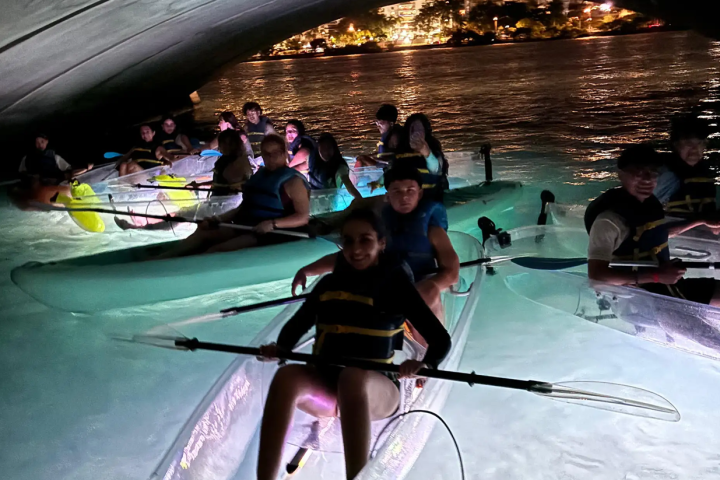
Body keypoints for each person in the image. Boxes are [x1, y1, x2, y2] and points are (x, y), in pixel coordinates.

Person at [256, 208, 451, 480]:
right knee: (287, 375)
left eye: (365, 240)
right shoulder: (327, 286)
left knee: (352, 377)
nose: (356, 249)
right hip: (329, 388)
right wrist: (279, 350)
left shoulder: (395, 286)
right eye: (348, 241)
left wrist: (424, 363)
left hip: (379, 392)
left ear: (381, 243)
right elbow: (293, 330)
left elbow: (440, 340)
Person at [293, 166, 459, 334]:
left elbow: (452, 272)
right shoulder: (378, 227)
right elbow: (355, 254)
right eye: (396, 191)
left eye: (410, 190)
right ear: (387, 196)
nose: (404, 197)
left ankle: (428, 351)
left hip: (421, 288)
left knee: (429, 297)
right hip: (388, 291)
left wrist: (433, 285)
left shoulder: (432, 230)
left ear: (420, 194)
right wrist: (307, 270)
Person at [586, 144, 720, 307]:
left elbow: (659, 234)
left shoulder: (649, 205)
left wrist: (700, 221)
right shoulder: (609, 221)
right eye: (639, 172)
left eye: (653, 173)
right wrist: (656, 276)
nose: (648, 179)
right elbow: (596, 277)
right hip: (643, 298)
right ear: (621, 174)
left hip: (668, 286)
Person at [154, 134, 309, 257]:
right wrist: (219, 219)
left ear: (283, 153)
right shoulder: (261, 175)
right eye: (266, 154)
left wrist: (273, 224)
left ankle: (186, 268)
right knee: (203, 234)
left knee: (216, 250)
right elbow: (244, 207)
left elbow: (302, 217)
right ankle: (160, 260)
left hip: (270, 233)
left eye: (275, 153)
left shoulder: (293, 181)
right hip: (247, 225)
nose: (270, 158)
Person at [113, 129, 252, 230]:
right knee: (183, 214)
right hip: (216, 202)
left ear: (231, 144)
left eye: (223, 144)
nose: (221, 148)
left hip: (225, 206)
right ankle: (142, 223)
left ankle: (138, 226)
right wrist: (199, 184)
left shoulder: (239, 163)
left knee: (180, 215)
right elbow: (222, 182)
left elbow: (240, 187)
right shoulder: (228, 159)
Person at [654, 114, 715, 215]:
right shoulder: (663, 175)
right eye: (688, 143)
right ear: (676, 145)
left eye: (700, 143)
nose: (695, 149)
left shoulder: (704, 173)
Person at [392, 113, 449, 201]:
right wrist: (378, 183)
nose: (416, 132)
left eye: (419, 129)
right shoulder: (400, 153)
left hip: (430, 197)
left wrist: (426, 152)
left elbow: (436, 169)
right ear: (407, 131)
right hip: (407, 199)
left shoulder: (433, 149)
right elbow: (392, 171)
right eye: (413, 128)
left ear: (425, 131)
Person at [18, 133, 91, 184]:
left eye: (42, 141)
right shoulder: (27, 158)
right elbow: (22, 173)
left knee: (70, 174)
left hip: (55, 182)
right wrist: (32, 177)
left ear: (46, 142)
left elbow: (69, 170)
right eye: (37, 143)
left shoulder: (55, 157)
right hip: (38, 185)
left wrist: (85, 168)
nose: (40, 144)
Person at [310, 133, 363, 200]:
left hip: (329, 204)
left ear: (334, 149)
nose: (326, 152)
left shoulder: (340, 166)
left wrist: (361, 200)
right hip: (314, 202)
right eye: (323, 149)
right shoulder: (315, 164)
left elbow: (349, 186)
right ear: (318, 150)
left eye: (329, 148)